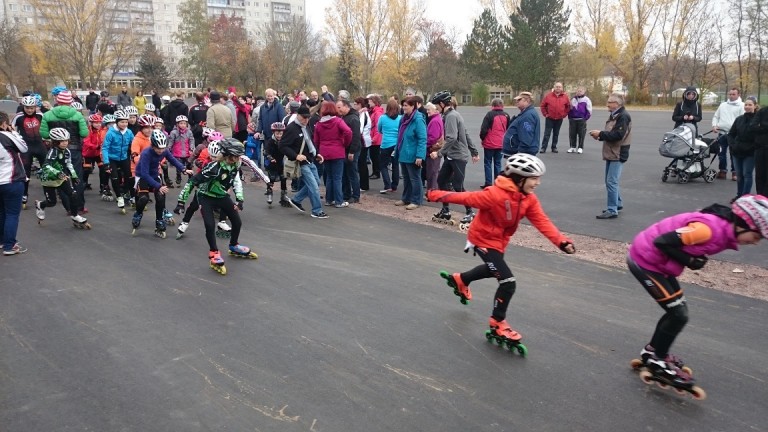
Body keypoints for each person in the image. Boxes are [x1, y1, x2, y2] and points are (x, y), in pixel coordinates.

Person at [427, 153, 575, 348]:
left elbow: (542, 221)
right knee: (507, 282)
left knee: (492, 269)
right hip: (481, 239)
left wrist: (561, 241)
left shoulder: (528, 199)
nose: (537, 183)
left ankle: (461, 279)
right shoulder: (494, 195)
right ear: (519, 179)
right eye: (534, 178)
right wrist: (434, 194)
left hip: (499, 242)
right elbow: (465, 197)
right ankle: (497, 322)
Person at [626, 195, 767, 392]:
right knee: (678, 314)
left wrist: (690, 258)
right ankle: (658, 360)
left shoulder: (722, 230)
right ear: (743, 224)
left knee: (676, 311)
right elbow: (662, 241)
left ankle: (653, 352)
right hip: (645, 260)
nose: (756, 242)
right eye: (756, 236)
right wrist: (689, 261)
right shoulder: (707, 230)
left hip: (658, 263)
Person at [177, 138, 257, 273]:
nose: (238, 159)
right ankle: (214, 252)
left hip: (221, 196)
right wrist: (181, 202)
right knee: (210, 225)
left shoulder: (235, 165)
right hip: (206, 197)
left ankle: (233, 245)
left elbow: (235, 182)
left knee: (237, 222)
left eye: (238, 157)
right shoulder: (213, 168)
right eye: (235, 156)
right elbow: (192, 182)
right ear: (226, 155)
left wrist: (240, 199)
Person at [132, 130, 193, 238]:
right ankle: (138, 214)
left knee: (160, 196)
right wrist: (159, 186)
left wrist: (183, 169)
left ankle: (159, 219)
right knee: (144, 199)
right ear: (152, 145)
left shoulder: (164, 150)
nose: (161, 151)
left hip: (155, 174)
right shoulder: (146, 153)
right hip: (142, 176)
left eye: (163, 148)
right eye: (158, 148)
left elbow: (173, 160)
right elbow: (145, 174)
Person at [432, 91, 479, 222]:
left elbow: (452, 138)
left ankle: (470, 212)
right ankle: (445, 210)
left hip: (458, 156)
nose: (436, 108)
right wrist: (474, 152)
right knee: (441, 180)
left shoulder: (451, 116)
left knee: (458, 185)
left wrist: (439, 153)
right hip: (452, 155)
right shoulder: (450, 115)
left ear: (442, 104)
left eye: (437, 105)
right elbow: (465, 134)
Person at [40, 90, 89, 214]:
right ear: (70, 102)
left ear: (57, 101)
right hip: (74, 149)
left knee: (61, 177)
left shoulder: (48, 115)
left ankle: (68, 207)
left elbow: (44, 134)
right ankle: (79, 206)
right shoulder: (77, 115)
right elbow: (84, 133)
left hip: (56, 150)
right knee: (76, 176)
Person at [33, 128, 89, 229]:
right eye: (61, 141)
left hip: (62, 177)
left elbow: (69, 164)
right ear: (55, 142)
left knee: (73, 195)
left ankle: (75, 215)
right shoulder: (52, 152)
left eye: (66, 140)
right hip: (49, 179)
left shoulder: (67, 151)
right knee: (51, 202)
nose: (64, 143)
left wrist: (74, 176)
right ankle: (41, 205)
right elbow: (46, 166)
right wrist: (58, 173)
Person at [279, 105, 328, 219]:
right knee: (314, 186)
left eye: (308, 118)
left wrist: (316, 154)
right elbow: (282, 146)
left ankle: (297, 200)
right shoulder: (291, 128)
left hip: (309, 160)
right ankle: (317, 210)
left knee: (315, 183)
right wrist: (296, 156)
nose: (306, 120)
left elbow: (309, 142)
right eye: (304, 117)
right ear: (298, 116)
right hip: (301, 162)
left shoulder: (306, 126)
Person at [590, 93, 632, 219]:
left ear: (617, 104)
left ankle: (612, 209)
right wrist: (600, 135)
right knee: (610, 181)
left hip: (618, 152)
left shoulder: (623, 117)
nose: (607, 104)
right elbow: (612, 133)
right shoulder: (616, 115)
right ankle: (617, 203)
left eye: (610, 102)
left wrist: (600, 134)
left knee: (611, 181)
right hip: (612, 151)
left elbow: (618, 135)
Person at [314, 100, 353, 207]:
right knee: (337, 178)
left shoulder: (319, 124)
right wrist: (345, 143)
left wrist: (319, 149)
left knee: (330, 177)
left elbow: (316, 140)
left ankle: (329, 199)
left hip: (324, 152)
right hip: (337, 151)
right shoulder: (338, 121)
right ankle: (339, 201)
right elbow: (348, 132)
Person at [0, 112, 28, 255]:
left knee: (2, 212)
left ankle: (2, 240)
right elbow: (24, 148)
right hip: (11, 179)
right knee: (12, 214)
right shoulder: (7, 136)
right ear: (4, 124)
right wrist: (15, 133)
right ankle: (9, 245)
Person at [393, 97, 426, 210]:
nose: (404, 107)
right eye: (403, 105)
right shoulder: (403, 119)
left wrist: (420, 156)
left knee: (415, 178)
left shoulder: (418, 119)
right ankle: (405, 198)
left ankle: (416, 200)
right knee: (406, 178)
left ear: (413, 106)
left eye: (406, 105)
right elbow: (400, 136)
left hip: (413, 154)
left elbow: (422, 139)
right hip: (403, 153)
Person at [13, 95, 45, 208]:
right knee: (25, 172)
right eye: (27, 108)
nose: (30, 110)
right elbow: (11, 129)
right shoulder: (19, 117)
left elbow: (46, 128)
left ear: (35, 106)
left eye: (32, 108)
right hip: (26, 147)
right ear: (23, 106)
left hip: (40, 145)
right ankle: (24, 194)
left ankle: (49, 191)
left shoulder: (41, 115)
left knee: (47, 169)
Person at [101, 109, 135, 212]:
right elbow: (105, 148)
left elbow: (134, 144)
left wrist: (135, 155)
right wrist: (106, 162)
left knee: (129, 176)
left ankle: (129, 194)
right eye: (122, 122)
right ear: (117, 122)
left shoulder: (129, 132)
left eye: (126, 122)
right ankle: (119, 197)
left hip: (124, 157)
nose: (124, 124)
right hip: (112, 158)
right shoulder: (111, 133)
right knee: (115, 177)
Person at [728, 96, 758, 202]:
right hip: (737, 151)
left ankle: (745, 198)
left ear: (755, 106)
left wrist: (753, 147)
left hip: (750, 152)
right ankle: (739, 195)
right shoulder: (739, 119)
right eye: (746, 104)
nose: (747, 107)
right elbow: (731, 134)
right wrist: (732, 145)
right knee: (739, 175)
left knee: (747, 174)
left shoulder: (757, 121)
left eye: (750, 105)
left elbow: (759, 137)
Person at [713, 88, 745, 180]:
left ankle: (735, 173)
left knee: (733, 154)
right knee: (721, 153)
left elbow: (742, 121)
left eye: (733, 94)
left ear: (738, 95)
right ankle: (722, 171)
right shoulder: (723, 105)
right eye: (730, 94)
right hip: (722, 133)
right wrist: (714, 125)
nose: (731, 96)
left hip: (734, 135)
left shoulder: (742, 106)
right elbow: (716, 116)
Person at [479, 98, 509, 188]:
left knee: (487, 162)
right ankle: (497, 182)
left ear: (492, 105)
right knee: (498, 163)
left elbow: (484, 129)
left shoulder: (489, 114)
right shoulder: (506, 115)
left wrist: (483, 138)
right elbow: (508, 129)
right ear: (502, 105)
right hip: (501, 143)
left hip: (489, 143)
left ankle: (488, 182)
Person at [337, 99, 362, 203]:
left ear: (346, 106)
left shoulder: (353, 119)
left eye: (339, 107)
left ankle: (355, 195)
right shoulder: (344, 117)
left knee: (352, 172)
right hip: (345, 148)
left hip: (352, 149)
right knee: (345, 173)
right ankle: (346, 193)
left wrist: (352, 151)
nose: (338, 110)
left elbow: (356, 136)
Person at [503, 92, 540, 157]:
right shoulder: (525, 113)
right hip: (522, 152)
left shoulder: (527, 116)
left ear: (527, 101)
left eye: (519, 100)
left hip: (524, 153)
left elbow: (526, 136)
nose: (517, 102)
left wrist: (520, 153)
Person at [81, 113, 110, 198]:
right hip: (88, 153)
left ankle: (103, 186)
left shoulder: (102, 130)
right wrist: (96, 146)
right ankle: (83, 184)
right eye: (96, 123)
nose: (98, 124)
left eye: (99, 123)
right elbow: (86, 142)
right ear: (91, 123)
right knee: (87, 169)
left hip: (97, 153)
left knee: (103, 169)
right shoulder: (88, 131)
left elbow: (104, 139)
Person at [263, 122, 291, 207]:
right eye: (277, 133)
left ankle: (283, 196)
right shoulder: (270, 141)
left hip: (280, 163)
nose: (279, 136)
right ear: (274, 133)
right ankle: (269, 193)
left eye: (281, 133)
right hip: (271, 163)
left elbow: (288, 149)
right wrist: (270, 157)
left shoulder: (284, 141)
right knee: (271, 179)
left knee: (283, 178)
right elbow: (266, 151)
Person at [377, 99, 401, 193]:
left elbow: (379, 129)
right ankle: (394, 185)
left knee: (383, 165)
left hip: (386, 144)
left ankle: (387, 185)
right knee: (395, 165)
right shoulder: (400, 118)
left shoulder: (382, 118)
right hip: (396, 145)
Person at [540, 82, 570, 153]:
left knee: (556, 133)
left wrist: (564, 114)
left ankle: (554, 147)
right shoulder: (548, 96)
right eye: (557, 87)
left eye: (559, 87)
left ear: (562, 88)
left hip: (559, 118)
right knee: (547, 133)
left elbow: (568, 107)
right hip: (550, 118)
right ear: (554, 87)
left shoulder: (565, 97)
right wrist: (545, 114)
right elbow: (543, 106)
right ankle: (543, 147)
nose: (558, 88)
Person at [168, 115, 195, 187]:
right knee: (179, 166)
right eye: (181, 123)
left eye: (184, 123)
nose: (183, 125)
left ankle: (190, 178)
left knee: (189, 165)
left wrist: (191, 148)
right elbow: (170, 141)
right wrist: (168, 149)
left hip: (187, 152)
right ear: (177, 124)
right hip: (177, 152)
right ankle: (178, 176)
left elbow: (191, 140)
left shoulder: (189, 132)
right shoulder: (174, 132)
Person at [354, 97, 372, 192]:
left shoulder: (363, 115)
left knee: (362, 163)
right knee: (362, 163)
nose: (354, 105)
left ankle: (364, 185)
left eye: (356, 104)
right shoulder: (362, 113)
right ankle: (364, 184)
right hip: (365, 139)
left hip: (363, 141)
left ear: (360, 104)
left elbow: (359, 129)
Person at [424, 102, 444, 192]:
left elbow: (433, 138)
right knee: (434, 170)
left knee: (432, 172)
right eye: (427, 109)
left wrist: (425, 144)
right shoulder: (437, 119)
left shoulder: (434, 121)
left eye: (429, 109)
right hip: (435, 149)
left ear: (435, 110)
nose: (427, 111)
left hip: (432, 150)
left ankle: (432, 191)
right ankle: (433, 190)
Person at [567, 87, 592, 154]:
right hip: (573, 119)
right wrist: (570, 117)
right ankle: (573, 147)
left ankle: (580, 147)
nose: (579, 92)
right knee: (572, 133)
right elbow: (570, 108)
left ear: (584, 92)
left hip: (581, 120)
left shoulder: (586, 100)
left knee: (581, 134)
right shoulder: (573, 99)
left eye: (580, 91)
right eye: (578, 91)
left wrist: (585, 118)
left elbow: (589, 110)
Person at [367, 94, 383, 178]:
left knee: (375, 156)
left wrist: (375, 138)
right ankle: (375, 172)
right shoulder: (374, 111)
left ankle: (376, 172)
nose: (369, 103)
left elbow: (377, 126)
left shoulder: (377, 113)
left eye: (370, 101)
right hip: (373, 136)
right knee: (373, 156)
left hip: (375, 138)